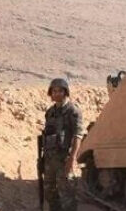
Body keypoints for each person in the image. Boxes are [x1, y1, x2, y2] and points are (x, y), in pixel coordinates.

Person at [42, 78, 83, 211]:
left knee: (67, 194)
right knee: (49, 192)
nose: (57, 94)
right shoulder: (50, 112)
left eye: (60, 91)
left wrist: (72, 159)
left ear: (65, 92)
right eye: (54, 91)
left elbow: (77, 136)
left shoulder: (73, 111)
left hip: (64, 159)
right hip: (50, 159)